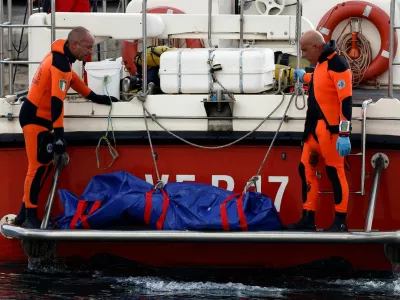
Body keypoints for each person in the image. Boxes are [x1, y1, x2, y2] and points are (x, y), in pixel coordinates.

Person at [14, 26, 118, 228]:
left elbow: (77, 84)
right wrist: (59, 135)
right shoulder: (60, 63)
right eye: (88, 47)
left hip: (41, 119)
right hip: (35, 118)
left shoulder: (64, 60)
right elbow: (56, 102)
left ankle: (22, 214)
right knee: (37, 168)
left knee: (43, 166)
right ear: (74, 44)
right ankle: (29, 218)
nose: (90, 51)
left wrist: (101, 98)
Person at [288, 30, 352, 232]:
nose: (304, 54)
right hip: (313, 131)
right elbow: (319, 80)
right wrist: (304, 77)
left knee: (335, 172)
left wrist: (344, 134)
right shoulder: (322, 65)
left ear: (316, 47)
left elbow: (346, 101)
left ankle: (340, 221)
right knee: (305, 169)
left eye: (305, 49)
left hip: (331, 133)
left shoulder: (338, 65)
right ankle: (308, 218)